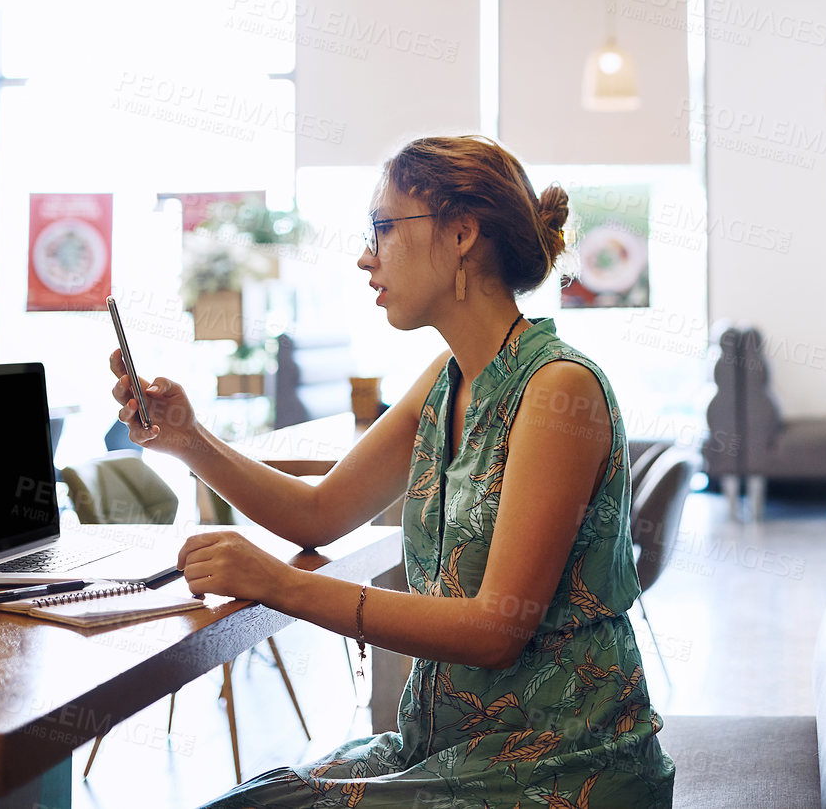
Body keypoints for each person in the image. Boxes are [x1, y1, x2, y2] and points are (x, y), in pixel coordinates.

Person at [108, 135, 675, 808]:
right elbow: (318, 513)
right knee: (255, 798)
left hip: (560, 766)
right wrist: (188, 439)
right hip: (446, 750)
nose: (364, 255)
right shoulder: (445, 378)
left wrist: (278, 584)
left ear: (462, 233)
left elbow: (495, 629)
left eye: (383, 227)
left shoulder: (558, 391)